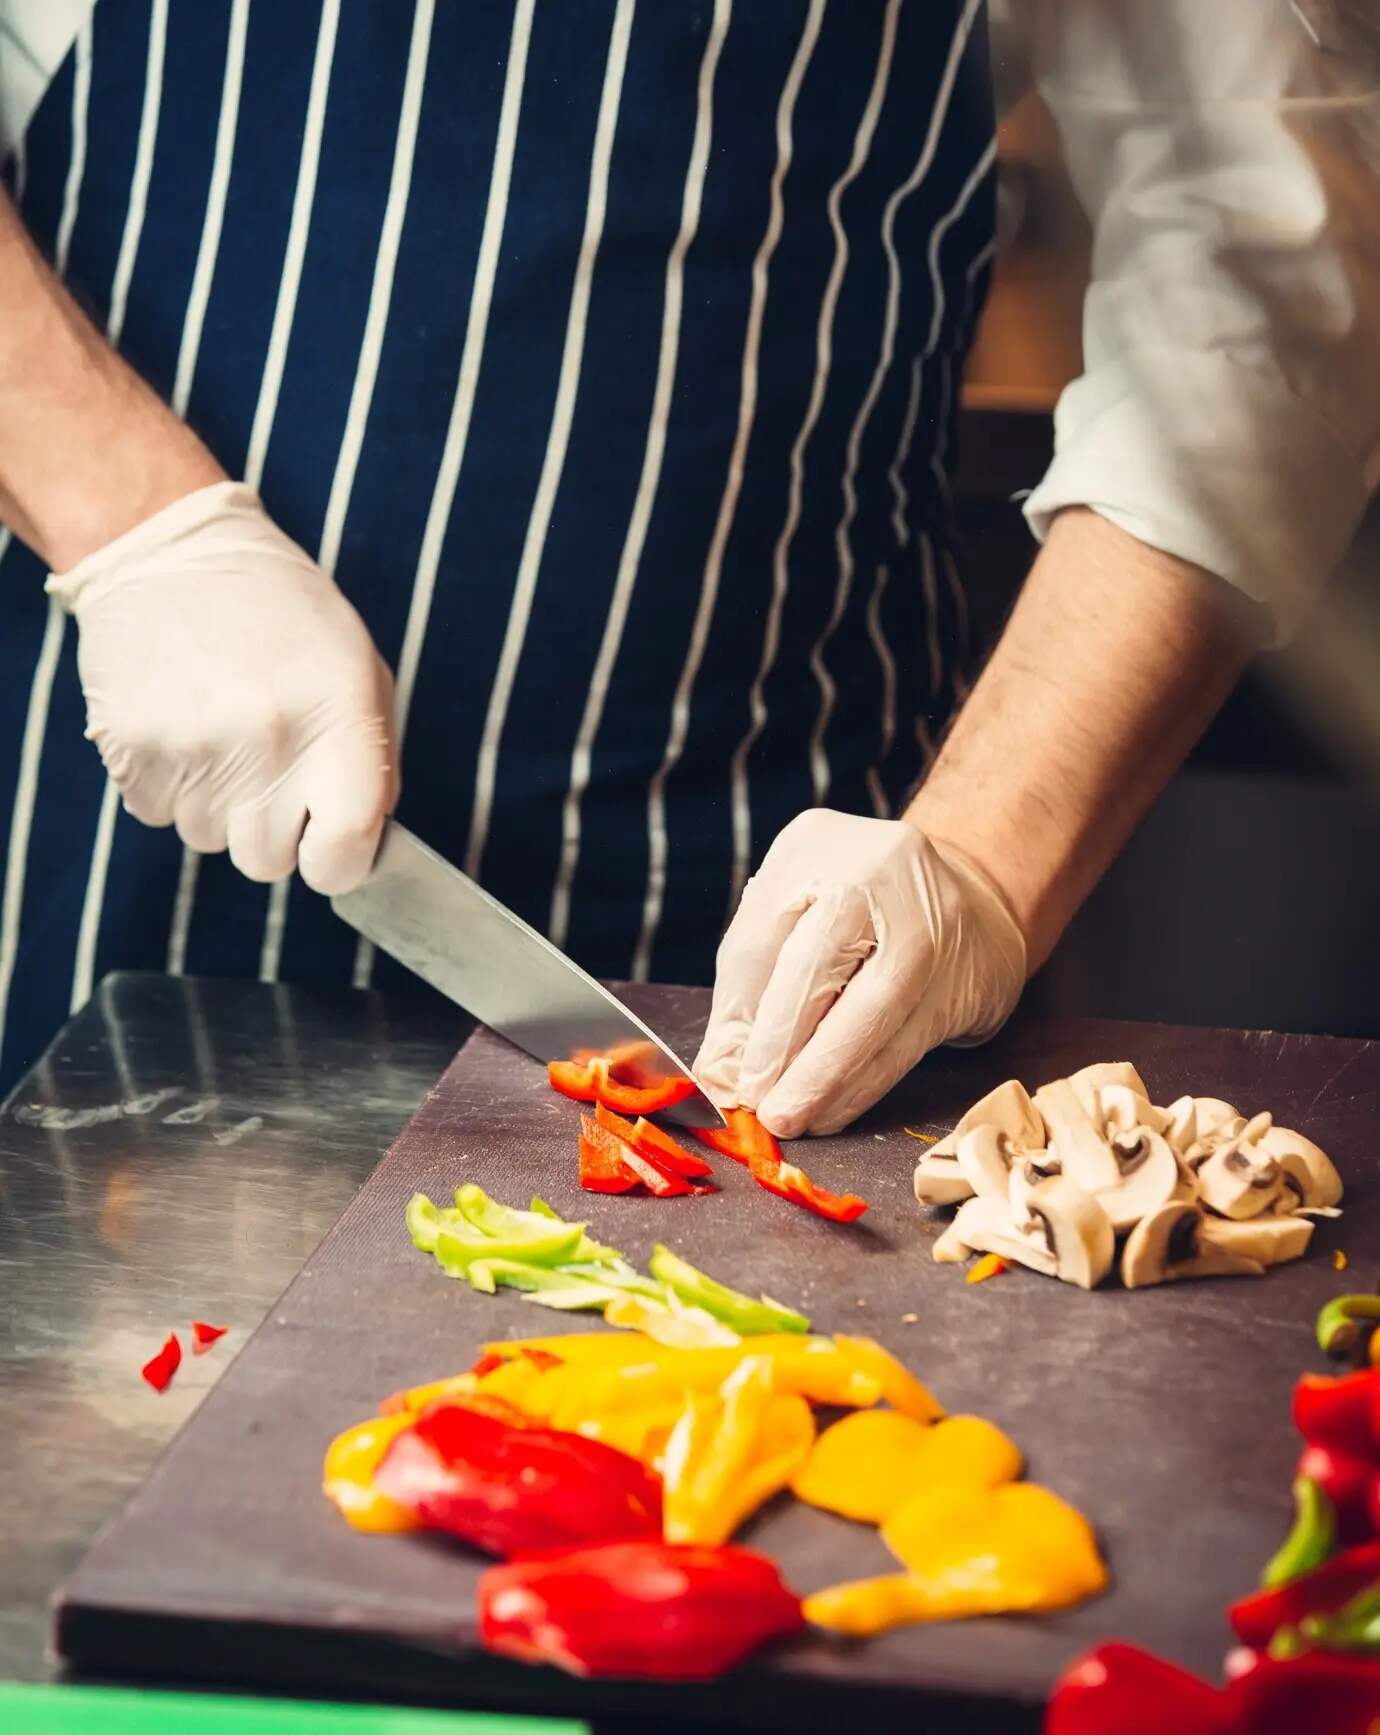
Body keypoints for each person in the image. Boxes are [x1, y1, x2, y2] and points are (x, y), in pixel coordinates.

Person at [0, 2, 1376, 1128]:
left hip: (764, 914)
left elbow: (1257, 283)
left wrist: (979, 870)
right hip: (124, 793)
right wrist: (133, 527)